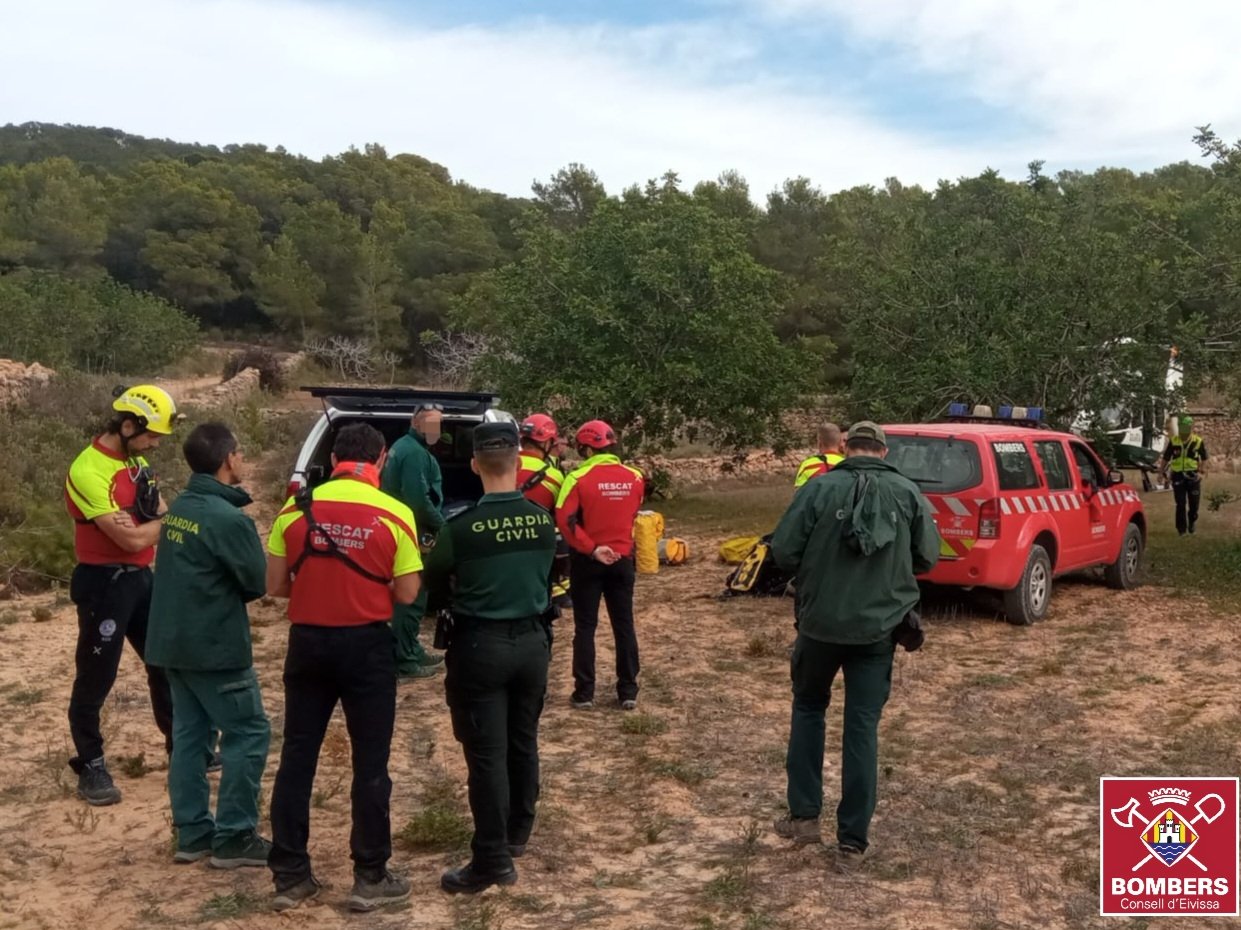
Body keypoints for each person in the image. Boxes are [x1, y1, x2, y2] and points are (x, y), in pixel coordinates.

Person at [265, 424, 422, 913]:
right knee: (370, 765)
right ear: (378, 461)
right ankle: (369, 876)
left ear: (333, 459)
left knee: (297, 757)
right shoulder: (396, 513)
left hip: (307, 645)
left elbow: (275, 586)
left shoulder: (294, 510)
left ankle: (291, 877)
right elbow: (408, 593)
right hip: (367, 647)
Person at [769, 421, 939, 870]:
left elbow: (783, 551)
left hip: (819, 626)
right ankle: (852, 843)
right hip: (878, 630)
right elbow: (927, 557)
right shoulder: (907, 493)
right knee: (861, 729)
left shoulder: (818, 488)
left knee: (808, 710)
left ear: (847, 448)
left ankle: (804, 818)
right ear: (884, 450)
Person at [424, 421, 557, 895]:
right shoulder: (543, 520)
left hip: (481, 646)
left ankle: (492, 859)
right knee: (524, 740)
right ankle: (518, 830)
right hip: (533, 644)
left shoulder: (460, 529)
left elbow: (431, 586)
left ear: (476, 465)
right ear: (519, 463)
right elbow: (549, 576)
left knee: (486, 755)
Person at [147, 423, 270, 868]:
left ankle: (193, 832)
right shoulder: (227, 518)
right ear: (227, 460)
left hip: (171, 644)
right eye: (238, 452)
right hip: (214, 647)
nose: (242, 459)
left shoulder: (181, 506)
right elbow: (258, 582)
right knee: (249, 732)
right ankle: (235, 835)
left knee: (190, 736)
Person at [63, 384, 178, 806]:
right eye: (151, 436)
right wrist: (158, 525)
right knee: (97, 675)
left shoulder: (137, 462)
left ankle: (181, 747)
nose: (155, 445)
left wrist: (153, 525)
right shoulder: (88, 471)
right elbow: (128, 539)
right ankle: (90, 764)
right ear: (127, 426)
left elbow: (158, 513)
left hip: (142, 579)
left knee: (164, 662)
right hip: (103, 584)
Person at [555, 420, 644, 710]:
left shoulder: (577, 478)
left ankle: (584, 693)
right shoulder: (635, 477)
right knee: (624, 625)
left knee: (585, 627)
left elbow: (565, 521)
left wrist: (593, 549)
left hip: (588, 560)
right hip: (622, 560)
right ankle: (628, 690)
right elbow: (631, 514)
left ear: (586, 447)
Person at [381, 403, 446, 679]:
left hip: (406, 528)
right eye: (432, 425)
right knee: (413, 596)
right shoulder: (414, 453)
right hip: (413, 531)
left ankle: (410, 648)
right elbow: (418, 502)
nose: (437, 431)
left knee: (412, 595)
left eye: (439, 425)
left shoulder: (405, 447)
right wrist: (443, 526)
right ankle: (404, 659)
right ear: (417, 423)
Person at [518, 414, 570, 607]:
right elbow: (563, 514)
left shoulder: (503, 467)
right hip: (540, 543)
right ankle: (558, 586)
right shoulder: (554, 476)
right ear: (547, 442)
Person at [1161, 414, 1208, 536]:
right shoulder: (1174, 441)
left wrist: (1201, 472)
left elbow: (1204, 458)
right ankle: (1181, 530)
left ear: (1191, 428)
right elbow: (1166, 458)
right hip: (1178, 476)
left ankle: (1192, 521)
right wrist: (1161, 472)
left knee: (1194, 505)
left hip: (1193, 476)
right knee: (1180, 504)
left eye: (1186, 428)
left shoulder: (1198, 441)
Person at [793, 423, 845, 490]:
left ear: (819, 443)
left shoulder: (808, 465)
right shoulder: (847, 464)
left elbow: (798, 494)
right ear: (840, 442)